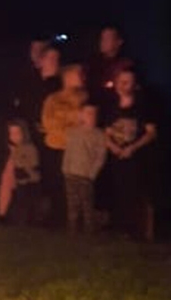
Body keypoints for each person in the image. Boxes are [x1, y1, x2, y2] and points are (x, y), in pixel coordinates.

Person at [104, 70, 158, 241]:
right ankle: (122, 228)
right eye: (121, 81)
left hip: (138, 158)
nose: (123, 84)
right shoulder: (111, 107)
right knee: (120, 191)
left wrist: (133, 148)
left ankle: (141, 231)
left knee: (137, 192)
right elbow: (106, 132)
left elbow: (151, 133)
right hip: (117, 156)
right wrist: (112, 146)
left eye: (127, 81)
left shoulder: (142, 106)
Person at [40, 65, 87, 227]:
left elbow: (86, 121)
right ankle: (57, 219)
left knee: (76, 186)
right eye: (77, 74)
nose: (81, 77)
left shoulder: (85, 98)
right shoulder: (53, 99)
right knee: (57, 184)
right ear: (66, 77)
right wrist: (69, 123)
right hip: (56, 146)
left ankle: (76, 221)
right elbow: (47, 122)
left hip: (77, 149)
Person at [62, 105, 107, 235]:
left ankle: (89, 230)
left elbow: (101, 156)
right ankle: (72, 229)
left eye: (93, 114)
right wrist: (65, 168)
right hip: (71, 174)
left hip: (86, 175)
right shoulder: (73, 132)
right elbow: (68, 151)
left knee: (87, 203)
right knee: (72, 204)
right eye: (88, 113)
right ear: (81, 115)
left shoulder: (99, 135)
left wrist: (92, 174)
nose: (91, 116)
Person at [0, 120, 41, 224]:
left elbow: (32, 163)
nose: (14, 137)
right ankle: (9, 217)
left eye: (17, 133)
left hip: (30, 182)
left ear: (24, 133)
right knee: (21, 202)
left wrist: (18, 156)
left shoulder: (29, 148)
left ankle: (31, 221)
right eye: (11, 134)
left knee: (29, 203)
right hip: (21, 181)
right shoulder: (12, 149)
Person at [88, 26, 133, 113]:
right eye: (102, 38)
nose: (103, 42)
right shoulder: (93, 64)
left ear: (119, 42)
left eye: (108, 38)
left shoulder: (126, 64)